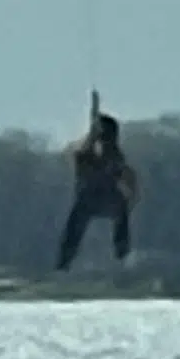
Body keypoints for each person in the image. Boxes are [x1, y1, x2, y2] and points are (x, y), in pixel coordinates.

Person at [57, 93, 137, 271]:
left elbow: (126, 175)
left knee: (118, 213)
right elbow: (82, 152)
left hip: (103, 197)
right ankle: (65, 259)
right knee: (76, 225)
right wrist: (93, 131)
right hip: (91, 197)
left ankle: (121, 251)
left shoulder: (114, 155)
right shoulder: (87, 153)